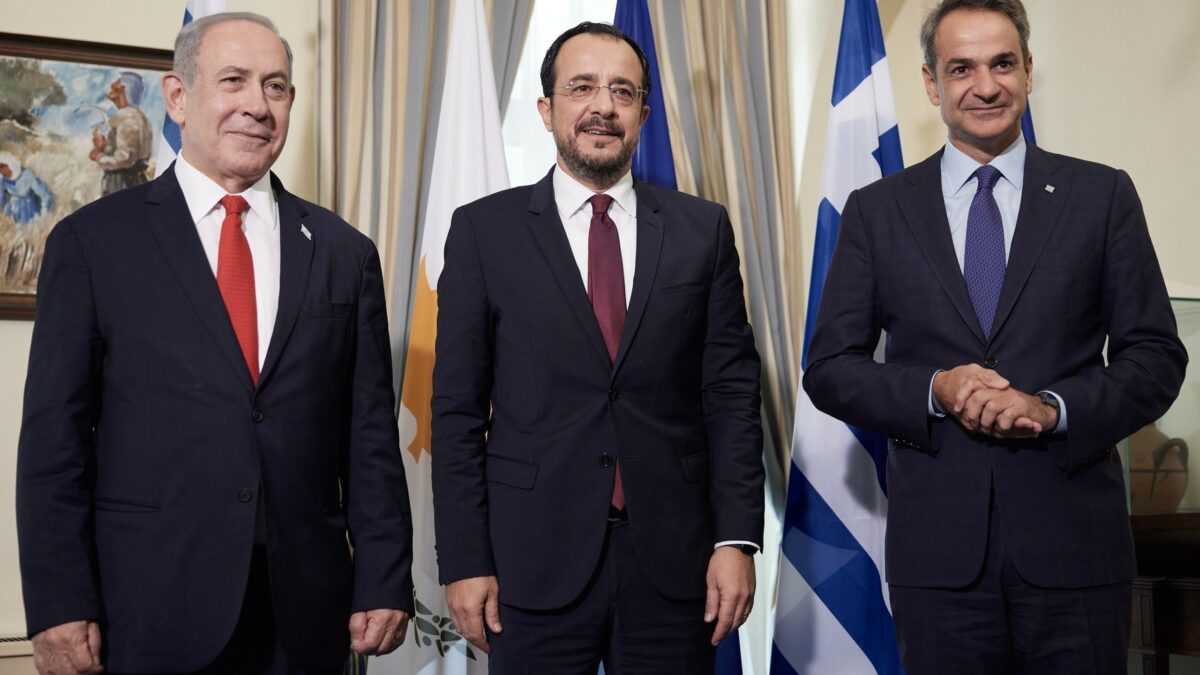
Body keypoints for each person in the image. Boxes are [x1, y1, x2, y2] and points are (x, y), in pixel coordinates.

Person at [17, 13, 414, 675]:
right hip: (146, 608)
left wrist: (384, 576)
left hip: (303, 613)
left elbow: (368, 435)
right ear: (177, 97)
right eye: (234, 80)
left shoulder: (344, 253)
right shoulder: (92, 244)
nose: (257, 105)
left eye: (276, 86)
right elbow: (54, 441)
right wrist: (58, 600)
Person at [803, 0, 1188, 672]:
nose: (985, 86)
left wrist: (1053, 409)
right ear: (932, 84)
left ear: (1028, 71)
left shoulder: (1101, 197)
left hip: (1075, 552)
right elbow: (831, 367)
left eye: (1002, 64)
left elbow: (1155, 357)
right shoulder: (878, 211)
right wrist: (936, 389)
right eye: (962, 68)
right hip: (939, 561)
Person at [431, 21, 764, 674]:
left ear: (643, 114)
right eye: (581, 87)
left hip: (676, 563)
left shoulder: (702, 230)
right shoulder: (483, 232)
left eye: (622, 91)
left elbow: (730, 394)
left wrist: (736, 539)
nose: (603, 107)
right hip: (530, 564)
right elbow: (457, 412)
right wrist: (465, 559)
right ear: (546, 109)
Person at [89, 71, 153, 195]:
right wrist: (103, 147)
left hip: (122, 184)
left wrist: (99, 156)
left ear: (123, 89)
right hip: (131, 182)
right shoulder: (139, 117)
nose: (111, 86)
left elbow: (125, 158)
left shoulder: (126, 118)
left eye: (117, 83)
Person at [0, 153, 54, 224]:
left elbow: (45, 194)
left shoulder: (27, 174)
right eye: (1, 170)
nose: (3, 172)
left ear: (10, 165)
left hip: (29, 210)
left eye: (4, 168)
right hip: (12, 209)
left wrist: (45, 212)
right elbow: (1, 197)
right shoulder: (2, 178)